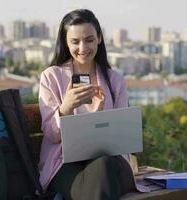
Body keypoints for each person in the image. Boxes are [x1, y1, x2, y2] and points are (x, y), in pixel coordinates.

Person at [38, 9, 149, 200]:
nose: (83, 48)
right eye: (75, 41)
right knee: (98, 185)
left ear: (99, 38)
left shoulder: (115, 80)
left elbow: (121, 137)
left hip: (109, 161)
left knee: (103, 167)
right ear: (65, 42)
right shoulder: (52, 77)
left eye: (89, 39)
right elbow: (51, 134)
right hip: (64, 163)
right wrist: (66, 107)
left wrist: (97, 114)